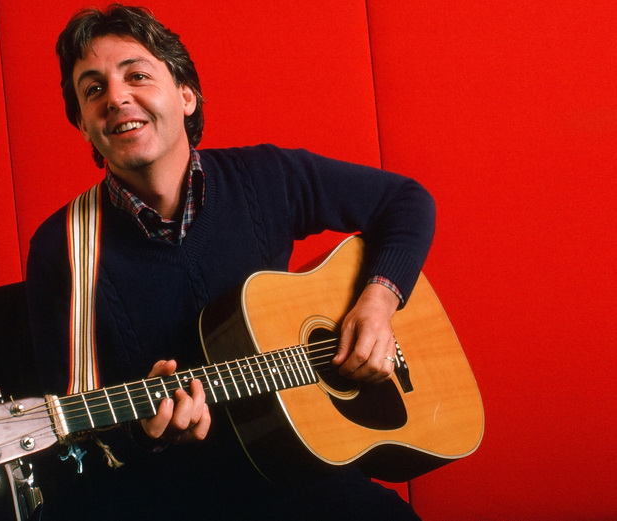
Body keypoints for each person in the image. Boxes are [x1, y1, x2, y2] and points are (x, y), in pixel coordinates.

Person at [26, 4, 434, 520]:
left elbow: (406, 202)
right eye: (93, 89)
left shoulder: (265, 177)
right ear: (84, 126)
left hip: (304, 471)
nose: (116, 97)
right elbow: (74, 444)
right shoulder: (63, 249)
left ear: (186, 95)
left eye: (137, 75)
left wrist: (377, 305)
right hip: (174, 496)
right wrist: (145, 435)